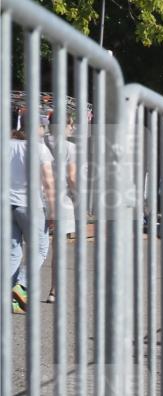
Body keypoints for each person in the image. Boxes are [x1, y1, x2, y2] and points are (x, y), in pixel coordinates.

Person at [10, 108, 56, 313]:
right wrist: (53, 210)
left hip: (6, 205)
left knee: (13, 252)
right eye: (42, 126)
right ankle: (22, 285)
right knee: (40, 248)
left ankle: (10, 297)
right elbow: (48, 181)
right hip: (29, 204)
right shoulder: (38, 148)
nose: (44, 130)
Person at [43, 112, 77, 303]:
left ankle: (21, 285)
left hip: (37, 199)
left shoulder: (38, 142)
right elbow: (72, 177)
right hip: (61, 200)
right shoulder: (70, 147)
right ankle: (54, 291)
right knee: (58, 249)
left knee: (34, 247)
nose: (72, 128)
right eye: (70, 125)